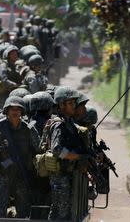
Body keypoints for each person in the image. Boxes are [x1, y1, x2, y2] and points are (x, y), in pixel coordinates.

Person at [0, 96, 40, 218]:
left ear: (22, 112)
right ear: (6, 111)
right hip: (3, 173)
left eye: (18, 109)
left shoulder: (28, 128)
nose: (14, 112)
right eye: (12, 109)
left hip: (22, 173)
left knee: (23, 209)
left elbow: (38, 148)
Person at [46, 86, 89, 220]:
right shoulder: (59, 124)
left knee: (63, 212)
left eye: (74, 103)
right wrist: (75, 156)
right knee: (61, 214)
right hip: (60, 177)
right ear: (61, 105)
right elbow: (56, 149)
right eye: (70, 103)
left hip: (67, 174)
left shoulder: (69, 123)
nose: (73, 106)